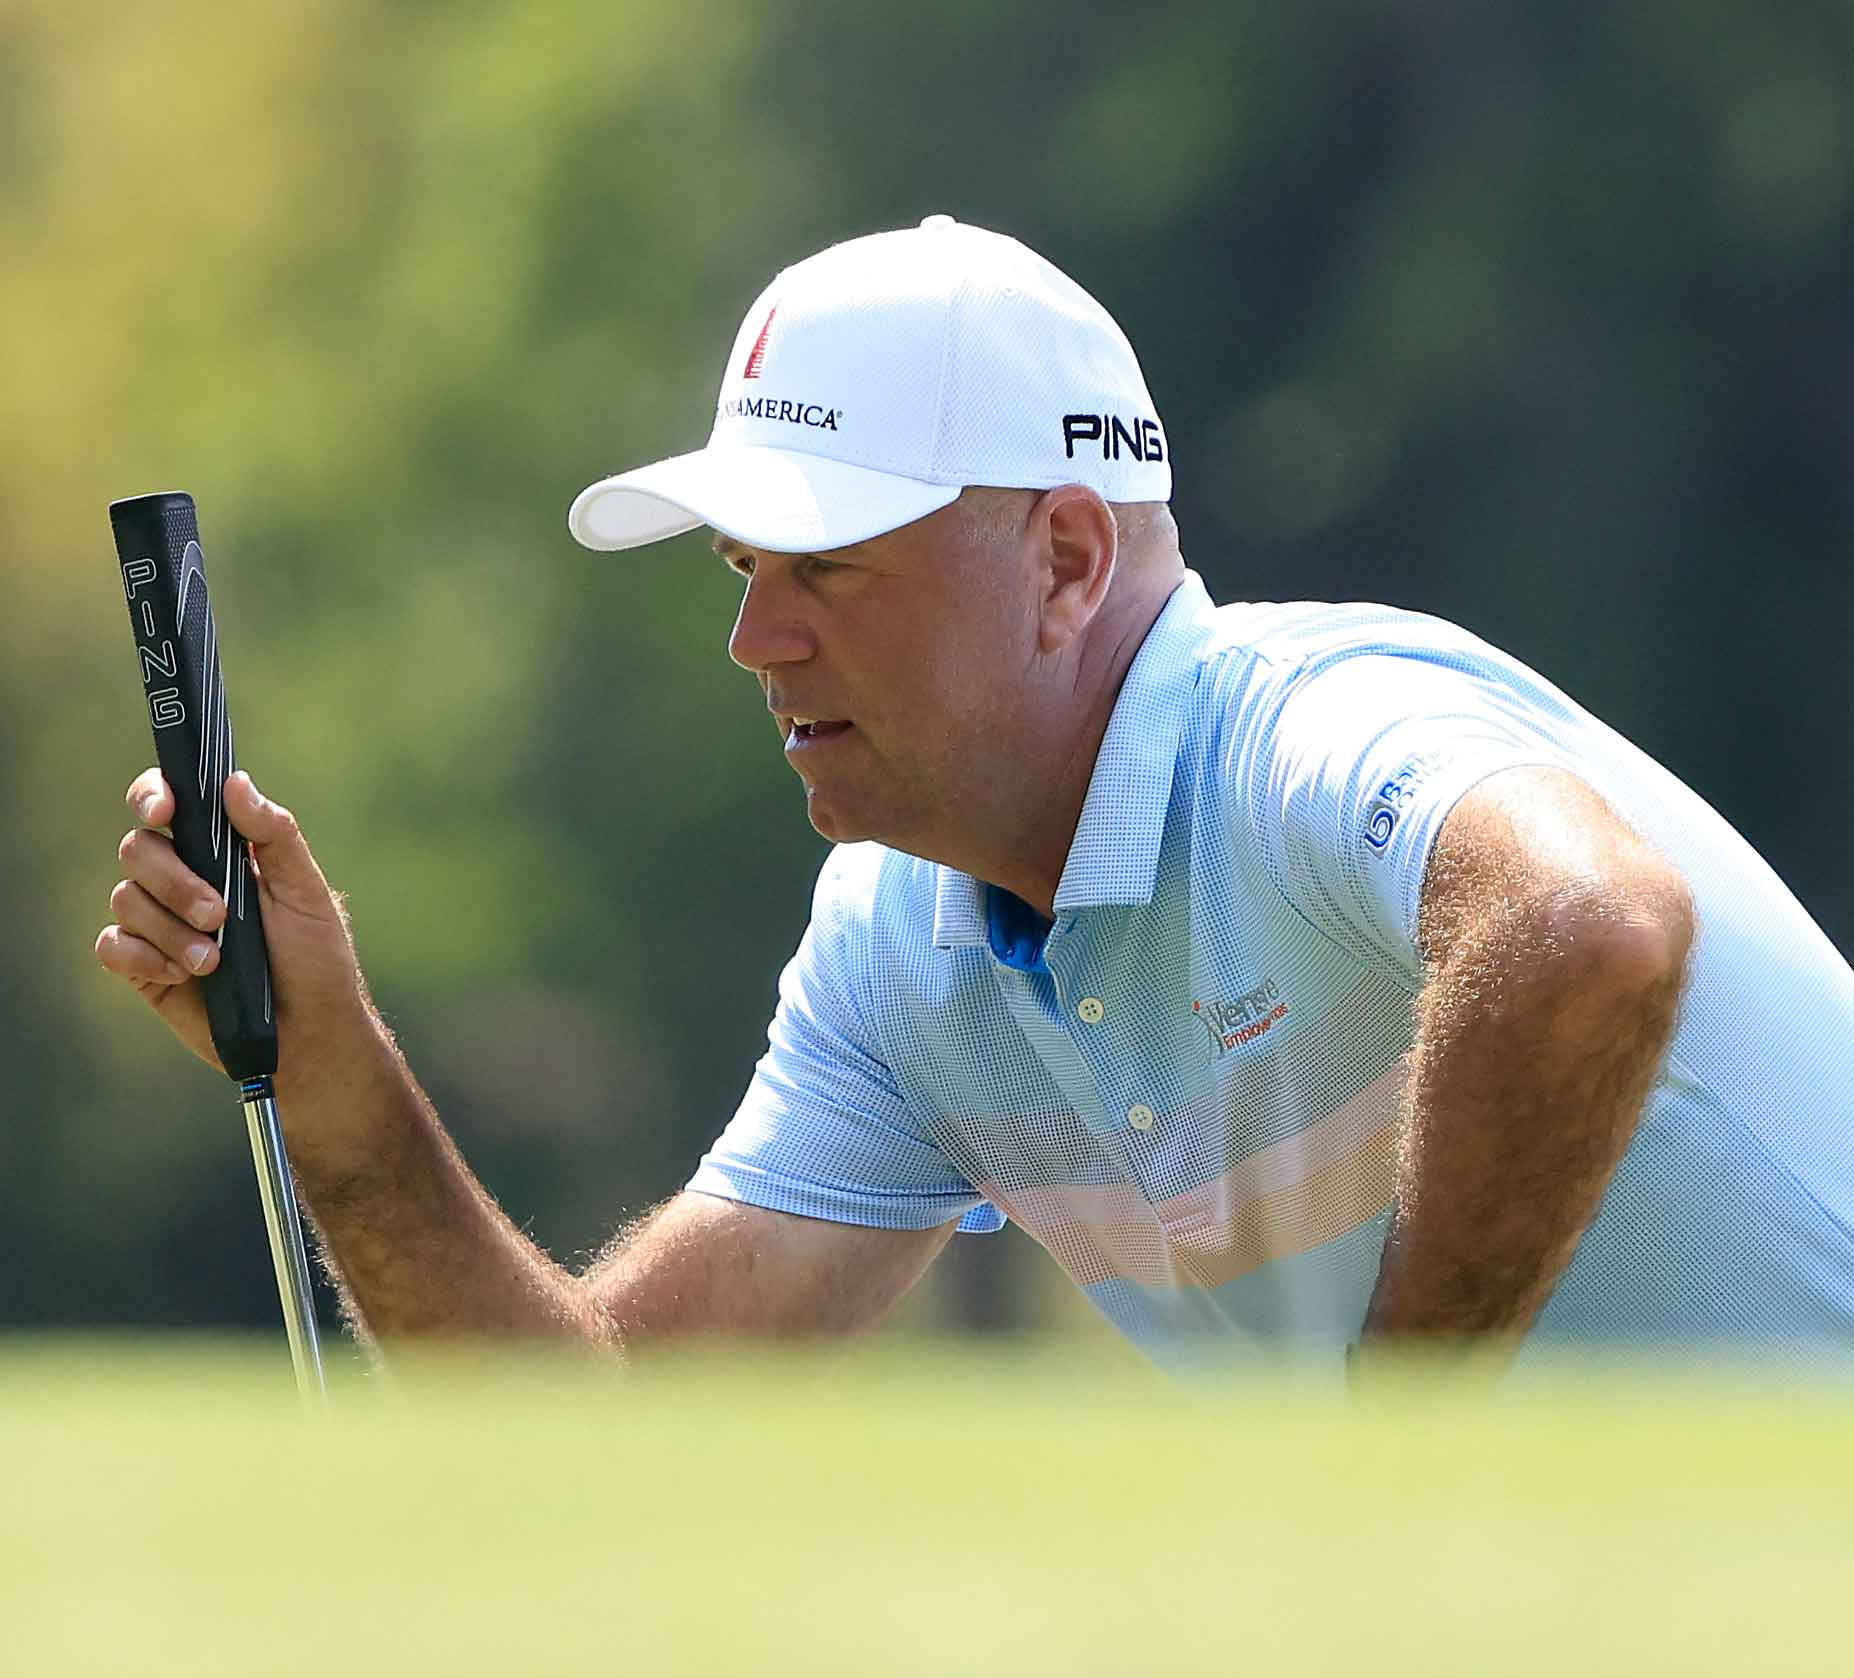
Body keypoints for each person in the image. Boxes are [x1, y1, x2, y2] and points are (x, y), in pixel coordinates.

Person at [97, 215, 1854, 1371]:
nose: (754, 639)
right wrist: (334, 1081)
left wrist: (1379, 1501)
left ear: (1066, 557)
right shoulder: (899, 948)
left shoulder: (1307, 724)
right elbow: (597, 1440)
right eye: (737, 568)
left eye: (828, 568)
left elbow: (1586, 930)